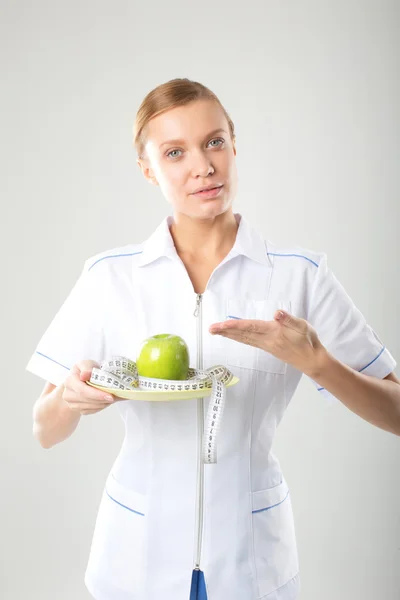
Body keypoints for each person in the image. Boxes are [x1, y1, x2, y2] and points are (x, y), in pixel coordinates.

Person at [27, 78, 400, 600]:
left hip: (250, 559)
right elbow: (44, 430)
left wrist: (319, 364)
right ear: (147, 167)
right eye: (174, 152)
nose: (202, 165)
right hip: (136, 557)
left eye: (215, 142)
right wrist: (69, 399)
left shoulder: (300, 276)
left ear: (233, 146)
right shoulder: (109, 277)